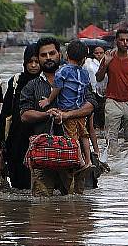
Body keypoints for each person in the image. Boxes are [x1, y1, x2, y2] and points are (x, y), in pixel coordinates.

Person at [20, 36, 94, 197]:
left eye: (52, 53)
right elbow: (24, 115)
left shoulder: (78, 77)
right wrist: (46, 114)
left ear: (60, 54)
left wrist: (67, 115)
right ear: (38, 58)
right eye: (43, 55)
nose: (48, 58)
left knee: (76, 206)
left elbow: (91, 104)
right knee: (41, 207)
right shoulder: (32, 86)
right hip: (43, 154)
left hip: (73, 157)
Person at [39, 39, 93, 170]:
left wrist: (48, 100)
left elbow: (57, 88)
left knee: (72, 137)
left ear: (66, 55)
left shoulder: (63, 71)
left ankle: (80, 161)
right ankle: (89, 160)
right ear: (84, 58)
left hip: (66, 110)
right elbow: (85, 91)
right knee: (84, 135)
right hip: (80, 109)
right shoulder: (85, 73)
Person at [0, 44, 41, 190]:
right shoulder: (16, 82)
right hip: (16, 141)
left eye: (36, 61)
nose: (33, 65)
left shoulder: (48, 82)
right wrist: (0, 143)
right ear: (24, 62)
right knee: (18, 187)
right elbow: (6, 113)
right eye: (30, 62)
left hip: (39, 140)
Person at [96, 28, 128, 157]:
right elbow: (98, 78)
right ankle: (113, 165)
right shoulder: (109, 57)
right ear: (116, 41)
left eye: (127, 40)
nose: (125, 43)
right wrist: (105, 64)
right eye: (122, 40)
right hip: (113, 102)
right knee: (111, 139)